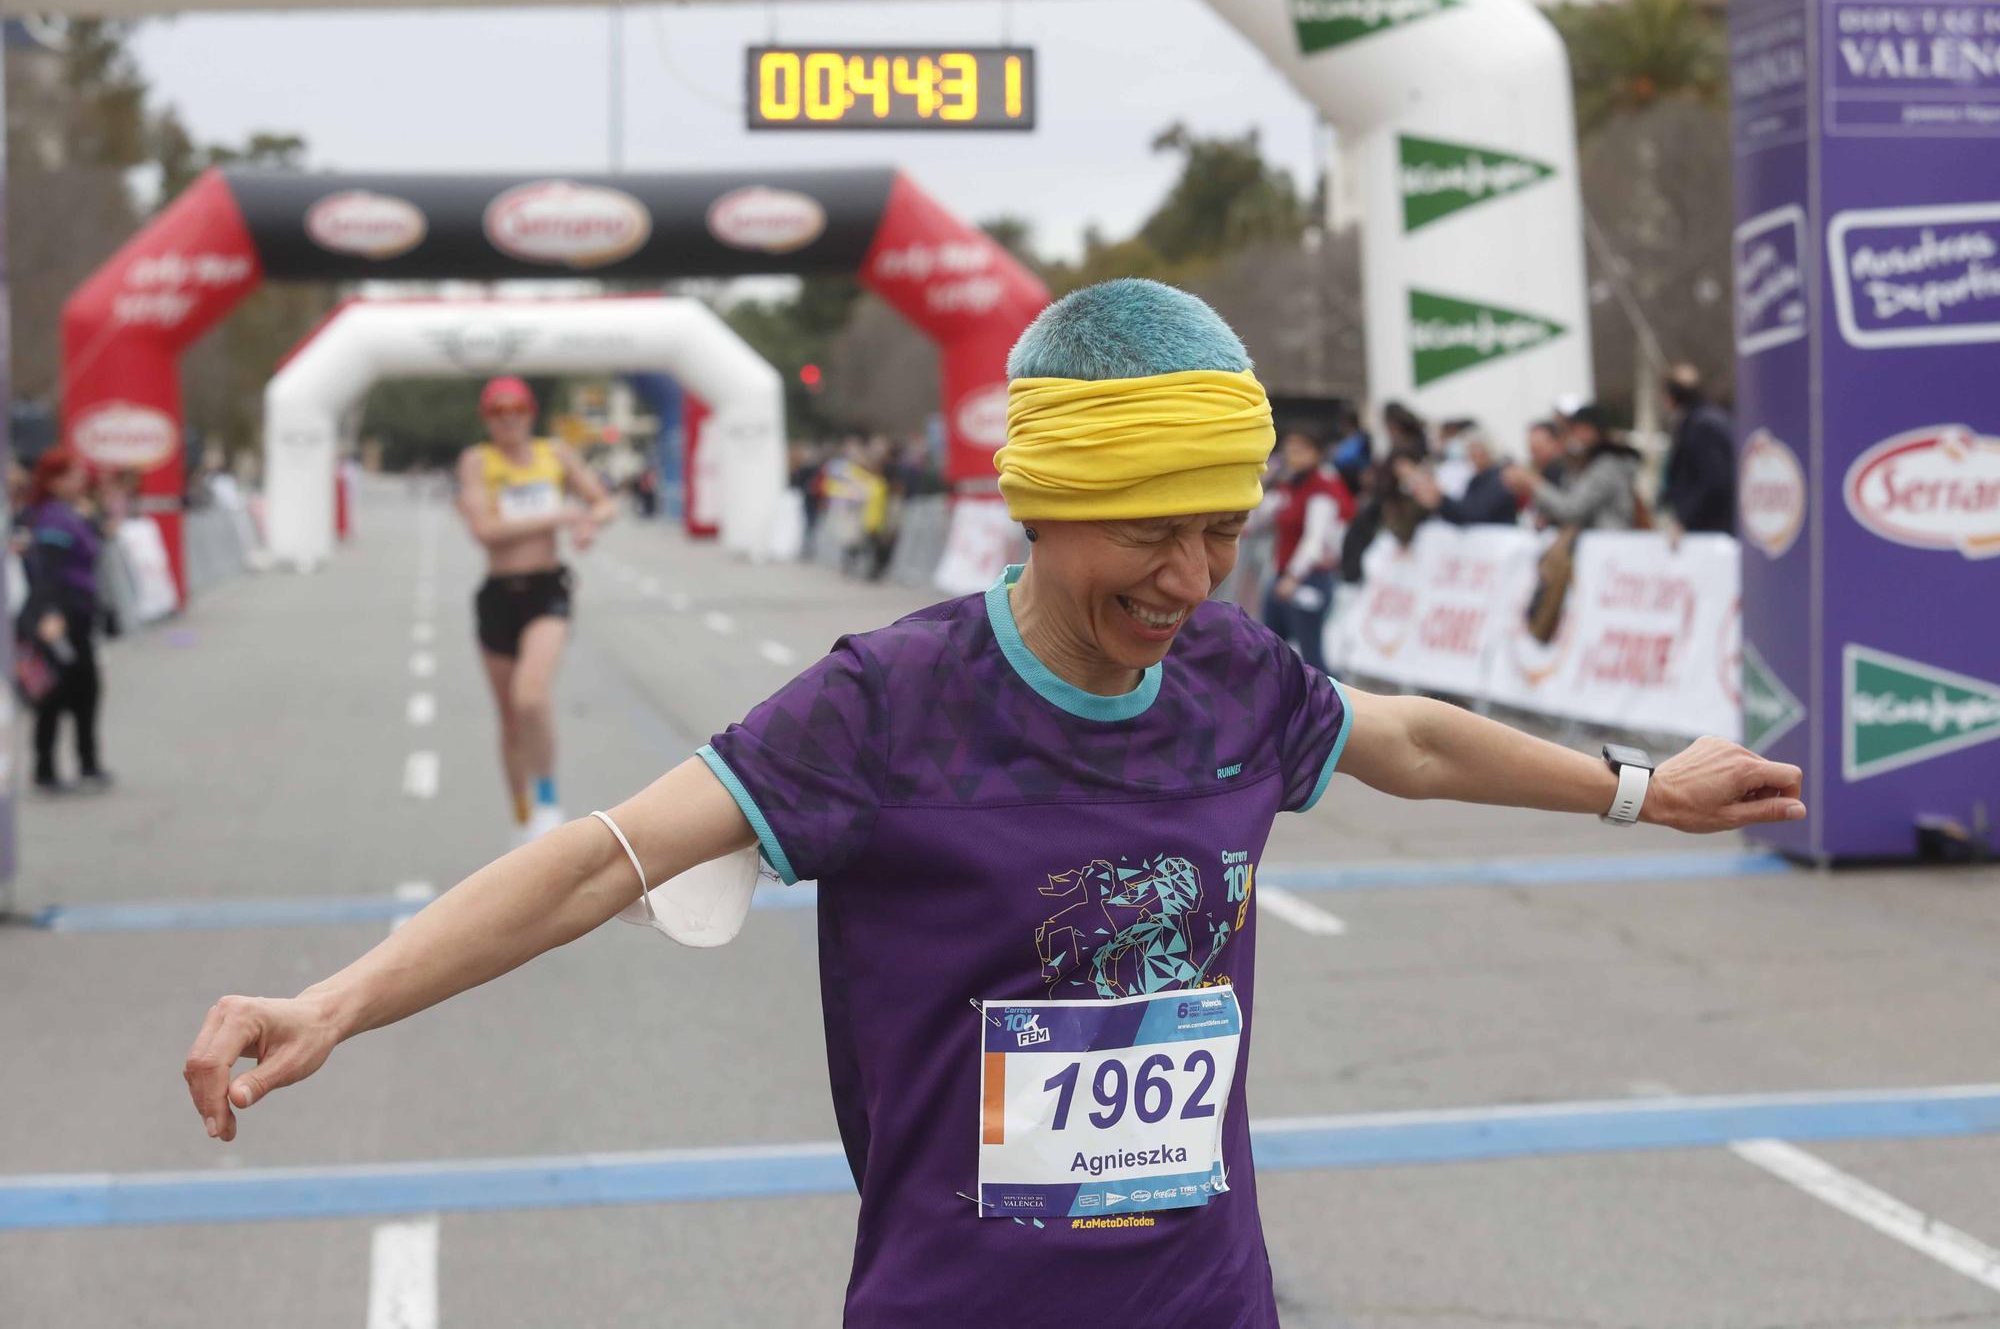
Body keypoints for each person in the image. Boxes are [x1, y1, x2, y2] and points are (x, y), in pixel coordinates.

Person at [185, 281, 1808, 1328]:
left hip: (1207, 1298)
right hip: (956, 1303)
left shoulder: (1237, 674)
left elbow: (1408, 740)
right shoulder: (887, 704)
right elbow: (600, 860)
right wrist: (337, 996)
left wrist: (1642, 786)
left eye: (1219, 533)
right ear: (1045, 506)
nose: (1185, 578)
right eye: (1146, 535)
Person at [456, 376, 616, 844]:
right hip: (497, 594)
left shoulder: (555, 454)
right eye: (499, 412)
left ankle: (547, 799)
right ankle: (521, 811)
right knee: (509, 717)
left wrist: (588, 522)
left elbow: (603, 501)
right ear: (488, 419)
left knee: (531, 696)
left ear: (531, 413)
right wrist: (557, 517)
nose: (510, 420)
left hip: (547, 591)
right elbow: (484, 530)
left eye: (518, 410)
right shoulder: (477, 462)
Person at [17, 450, 112, 794]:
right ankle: (48, 768)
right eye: (74, 475)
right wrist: (49, 613)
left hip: (79, 611)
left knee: (84, 689)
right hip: (62, 613)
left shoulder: (70, 512)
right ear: (56, 480)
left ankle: (85, 762)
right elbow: (49, 571)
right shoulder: (53, 518)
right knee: (56, 691)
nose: (80, 481)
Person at [1261, 427, 1353, 671]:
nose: (1293, 456)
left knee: (1311, 654)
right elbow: (1260, 517)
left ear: (1315, 454)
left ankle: (1329, 707)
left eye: (1300, 451)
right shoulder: (1289, 485)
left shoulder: (1322, 488)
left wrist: (1293, 576)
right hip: (1281, 576)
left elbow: (1315, 540)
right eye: (1289, 451)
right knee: (1270, 649)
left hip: (1308, 579)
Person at [1504, 404, 1645, 531]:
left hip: (1609, 547)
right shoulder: (1583, 464)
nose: (1576, 436)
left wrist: (1533, 483)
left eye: (1581, 430)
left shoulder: (1606, 466)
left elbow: (1572, 510)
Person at [1660, 364, 1737, 537]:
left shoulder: (1701, 426)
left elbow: (1714, 480)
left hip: (1710, 530)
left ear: (1672, 397)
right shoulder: (1707, 419)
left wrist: (1686, 519)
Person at [1397, 427, 1518, 526]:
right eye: (1471, 453)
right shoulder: (1474, 481)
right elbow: (1464, 512)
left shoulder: (1500, 479)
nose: (1473, 458)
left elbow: (1475, 515)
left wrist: (1441, 499)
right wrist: (1439, 501)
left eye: (1477, 453)